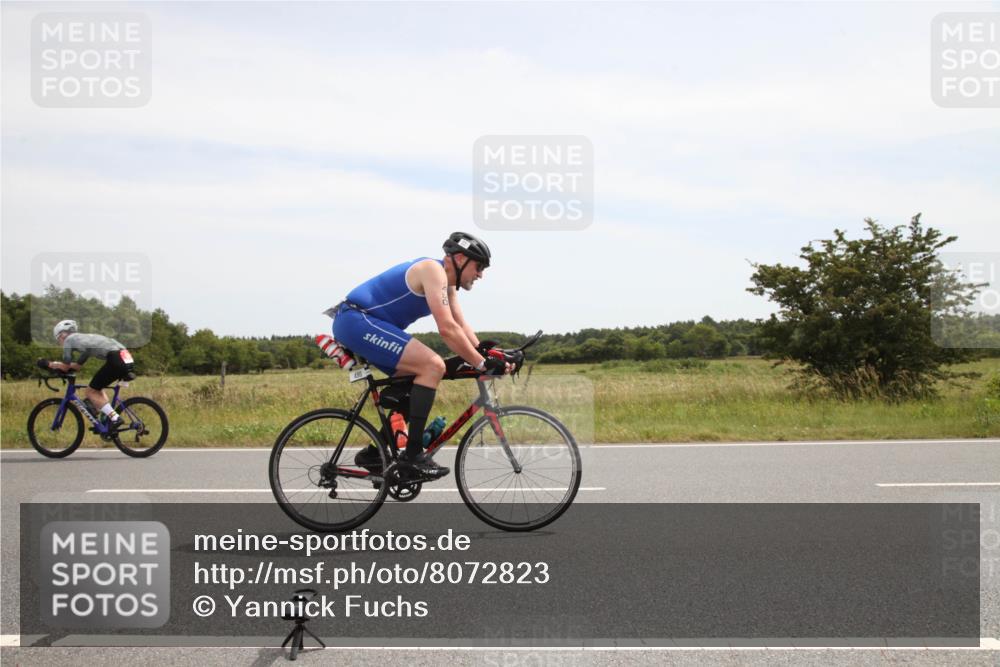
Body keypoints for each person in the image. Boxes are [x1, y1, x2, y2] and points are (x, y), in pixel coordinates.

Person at [330, 232, 511, 479]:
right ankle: (413, 456)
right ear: (460, 258)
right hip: (356, 320)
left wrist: (490, 355)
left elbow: (460, 325)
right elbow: (446, 329)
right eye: (479, 267)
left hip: (365, 324)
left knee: (415, 383)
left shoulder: (447, 284)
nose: (480, 274)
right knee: (432, 366)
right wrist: (481, 363)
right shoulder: (432, 271)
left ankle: (374, 454)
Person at [38, 320, 136, 429]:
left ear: (62, 334)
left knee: (90, 391)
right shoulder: (86, 341)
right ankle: (106, 417)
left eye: (58, 339)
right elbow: (77, 366)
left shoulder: (69, 340)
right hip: (126, 357)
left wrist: (48, 364)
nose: (60, 343)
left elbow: (66, 365)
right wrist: (60, 366)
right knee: (97, 389)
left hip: (116, 358)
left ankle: (115, 418)